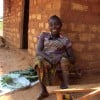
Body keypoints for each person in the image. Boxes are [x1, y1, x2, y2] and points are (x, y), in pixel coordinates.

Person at [34, 15, 75, 100]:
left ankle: (66, 88)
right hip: (47, 60)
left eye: (57, 24)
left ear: (61, 26)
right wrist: (49, 59)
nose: (54, 27)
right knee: (38, 61)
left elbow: (72, 59)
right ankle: (44, 91)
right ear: (48, 26)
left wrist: (60, 57)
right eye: (51, 25)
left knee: (64, 60)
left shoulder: (65, 40)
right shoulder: (43, 36)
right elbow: (38, 51)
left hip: (59, 63)